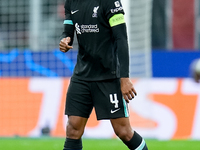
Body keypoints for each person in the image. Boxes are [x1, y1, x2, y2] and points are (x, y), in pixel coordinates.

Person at [59, 0, 148, 150]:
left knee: (124, 132)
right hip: (82, 76)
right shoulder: (71, 2)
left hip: (109, 77)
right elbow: (68, 31)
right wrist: (65, 39)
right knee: (73, 129)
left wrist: (124, 78)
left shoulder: (110, 2)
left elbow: (121, 39)